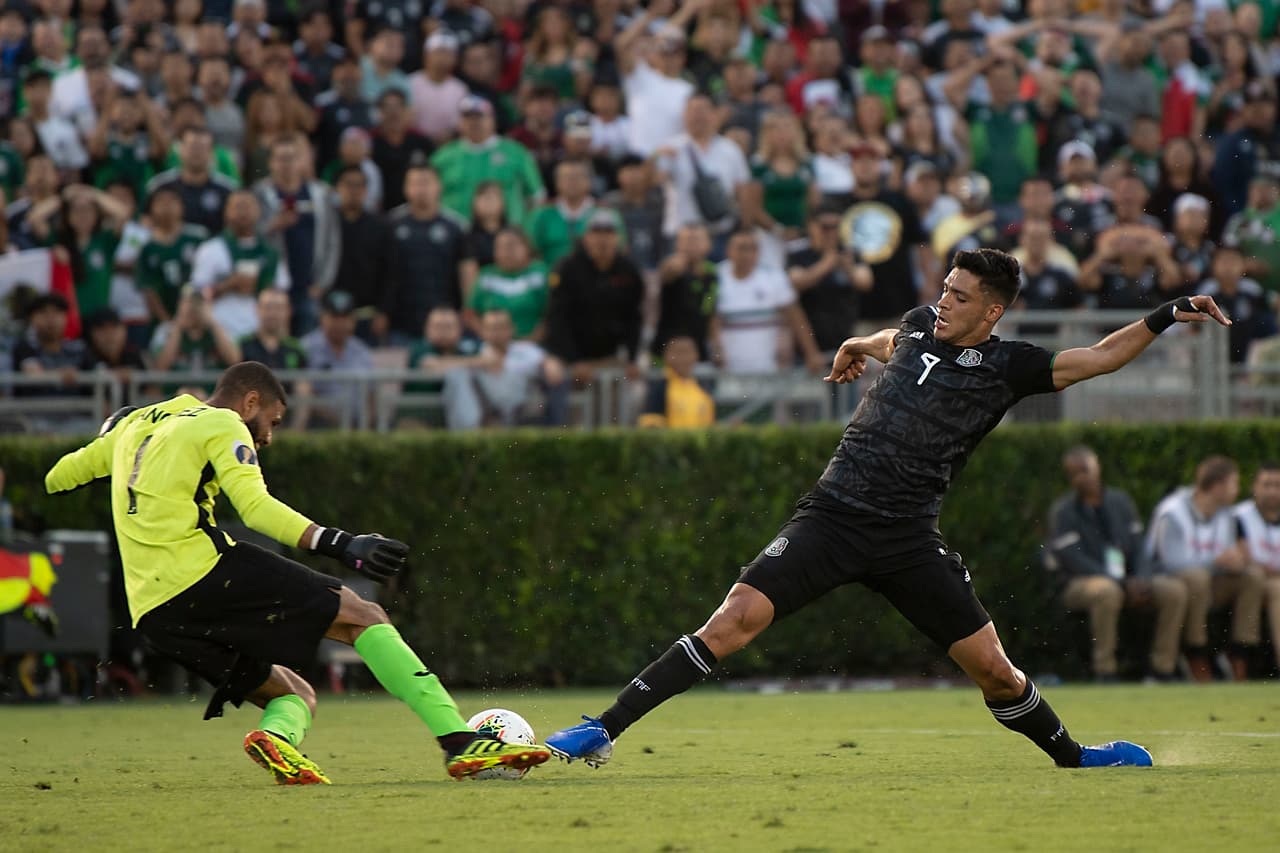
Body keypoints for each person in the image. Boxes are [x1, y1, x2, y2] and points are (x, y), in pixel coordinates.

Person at [546, 248, 1233, 771]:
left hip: (907, 539)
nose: (944, 302)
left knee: (994, 669)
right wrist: (854, 345)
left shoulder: (1011, 367)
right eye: (943, 289)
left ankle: (1076, 756)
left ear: (991, 311)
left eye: (959, 297)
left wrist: (1166, 314)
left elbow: (1101, 356)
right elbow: (891, 341)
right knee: (732, 621)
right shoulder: (916, 327)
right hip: (831, 517)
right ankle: (601, 729)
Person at [43, 361, 550, 783]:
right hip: (201, 570)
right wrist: (342, 544)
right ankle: (460, 742)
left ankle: (277, 738)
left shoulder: (136, 427)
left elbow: (56, 478)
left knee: (294, 692)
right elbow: (256, 507)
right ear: (249, 402)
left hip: (153, 612)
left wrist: (112, 433)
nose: (268, 436)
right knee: (361, 615)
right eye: (273, 421)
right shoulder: (219, 422)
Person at [1047, 446, 1187, 682]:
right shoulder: (1064, 512)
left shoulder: (1120, 502)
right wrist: (1122, 582)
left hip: (1130, 579)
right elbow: (1074, 560)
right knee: (1107, 592)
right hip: (1080, 583)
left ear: (1098, 467)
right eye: (1075, 473)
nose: (1082, 477)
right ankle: (1106, 670)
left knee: (1175, 591)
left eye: (1086, 470)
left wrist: (1141, 579)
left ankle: (1163, 668)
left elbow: (1139, 546)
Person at [1147, 456, 1265, 682]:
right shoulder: (1173, 512)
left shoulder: (1227, 515)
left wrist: (1237, 562)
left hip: (1210, 582)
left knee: (1253, 576)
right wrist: (1217, 561)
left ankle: (1240, 653)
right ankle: (1196, 652)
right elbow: (1170, 562)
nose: (1237, 490)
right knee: (1197, 578)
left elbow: (1227, 556)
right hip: (1165, 579)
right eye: (1234, 483)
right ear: (1218, 486)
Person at [544, 210, 644, 385]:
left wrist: (632, 358)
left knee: (615, 404)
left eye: (609, 233)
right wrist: (574, 360)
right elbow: (557, 319)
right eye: (596, 233)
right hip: (568, 357)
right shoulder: (567, 268)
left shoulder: (629, 271)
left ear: (618, 238)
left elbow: (633, 318)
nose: (602, 239)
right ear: (585, 237)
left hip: (608, 355)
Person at [383, 165, 472, 341]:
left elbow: (467, 271)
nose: (420, 189)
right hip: (400, 319)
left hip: (444, 320)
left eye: (426, 183)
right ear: (405, 187)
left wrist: (467, 309)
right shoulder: (390, 224)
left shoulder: (456, 226)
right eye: (414, 183)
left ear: (439, 186)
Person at [191, 191, 289, 343]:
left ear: (258, 211)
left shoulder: (271, 252)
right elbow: (196, 295)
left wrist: (260, 284)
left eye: (248, 206)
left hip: (261, 334)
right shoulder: (211, 250)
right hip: (220, 332)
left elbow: (282, 294)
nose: (243, 212)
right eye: (237, 207)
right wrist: (228, 285)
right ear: (226, 211)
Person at [301, 290, 374, 428]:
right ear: (323, 317)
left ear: (353, 320)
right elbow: (301, 391)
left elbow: (371, 395)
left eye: (345, 317)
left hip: (358, 428)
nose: (340, 323)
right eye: (334, 316)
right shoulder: (306, 348)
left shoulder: (362, 351)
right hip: (316, 428)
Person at [145, 127, 238, 235]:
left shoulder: (227, 189)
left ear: (212, 153)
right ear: (181, 150)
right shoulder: (160, 186)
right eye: (192, 147)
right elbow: (145, 222)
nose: (197, 152)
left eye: (202, 148)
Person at [1234, 463, 1280, 675]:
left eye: (1277, 485)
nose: (1272, 491)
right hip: (1248, 580)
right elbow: (1243, 558)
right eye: (1266, 485)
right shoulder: (1239, 517)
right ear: (1255, 487)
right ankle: (1243, 658)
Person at [638, 335, 715, 429]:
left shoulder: (703, 387)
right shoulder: (660, 387)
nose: (683, 358)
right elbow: (651, 426)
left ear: (696, 355)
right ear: (666, 355)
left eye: (687, 352)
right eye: (678, 352)